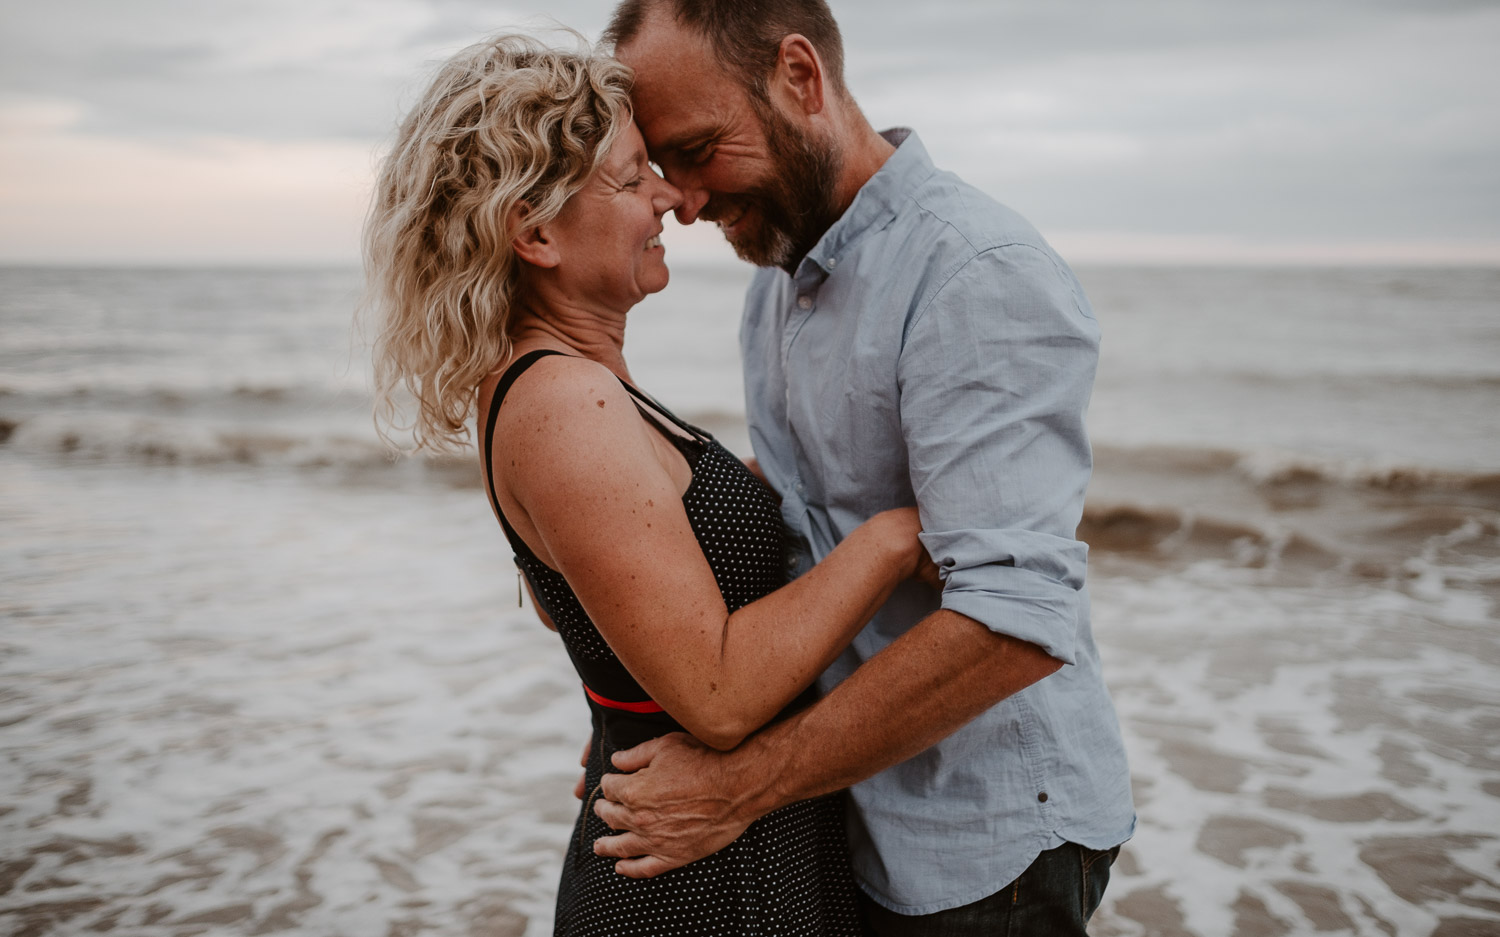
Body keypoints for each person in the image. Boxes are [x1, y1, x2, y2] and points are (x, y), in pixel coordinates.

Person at [363, 32, 940, 935]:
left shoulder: (552, 385)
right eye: (633, 180)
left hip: (710, 852)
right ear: (536, 231)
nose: (671, 198)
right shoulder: (563, 402)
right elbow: (716, 695)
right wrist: (894, 535)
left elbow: (589, 607)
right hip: (700, 888)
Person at [592, 2, 1137, 933]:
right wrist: (644, 714)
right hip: (844, 801)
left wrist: (737, 787)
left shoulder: (973, 271)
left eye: (697, 149)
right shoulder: (776, 277)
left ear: (799, 78)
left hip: (983, 844)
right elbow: (805, 520)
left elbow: (1012, 621)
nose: (681, 199)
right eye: (662, 166)